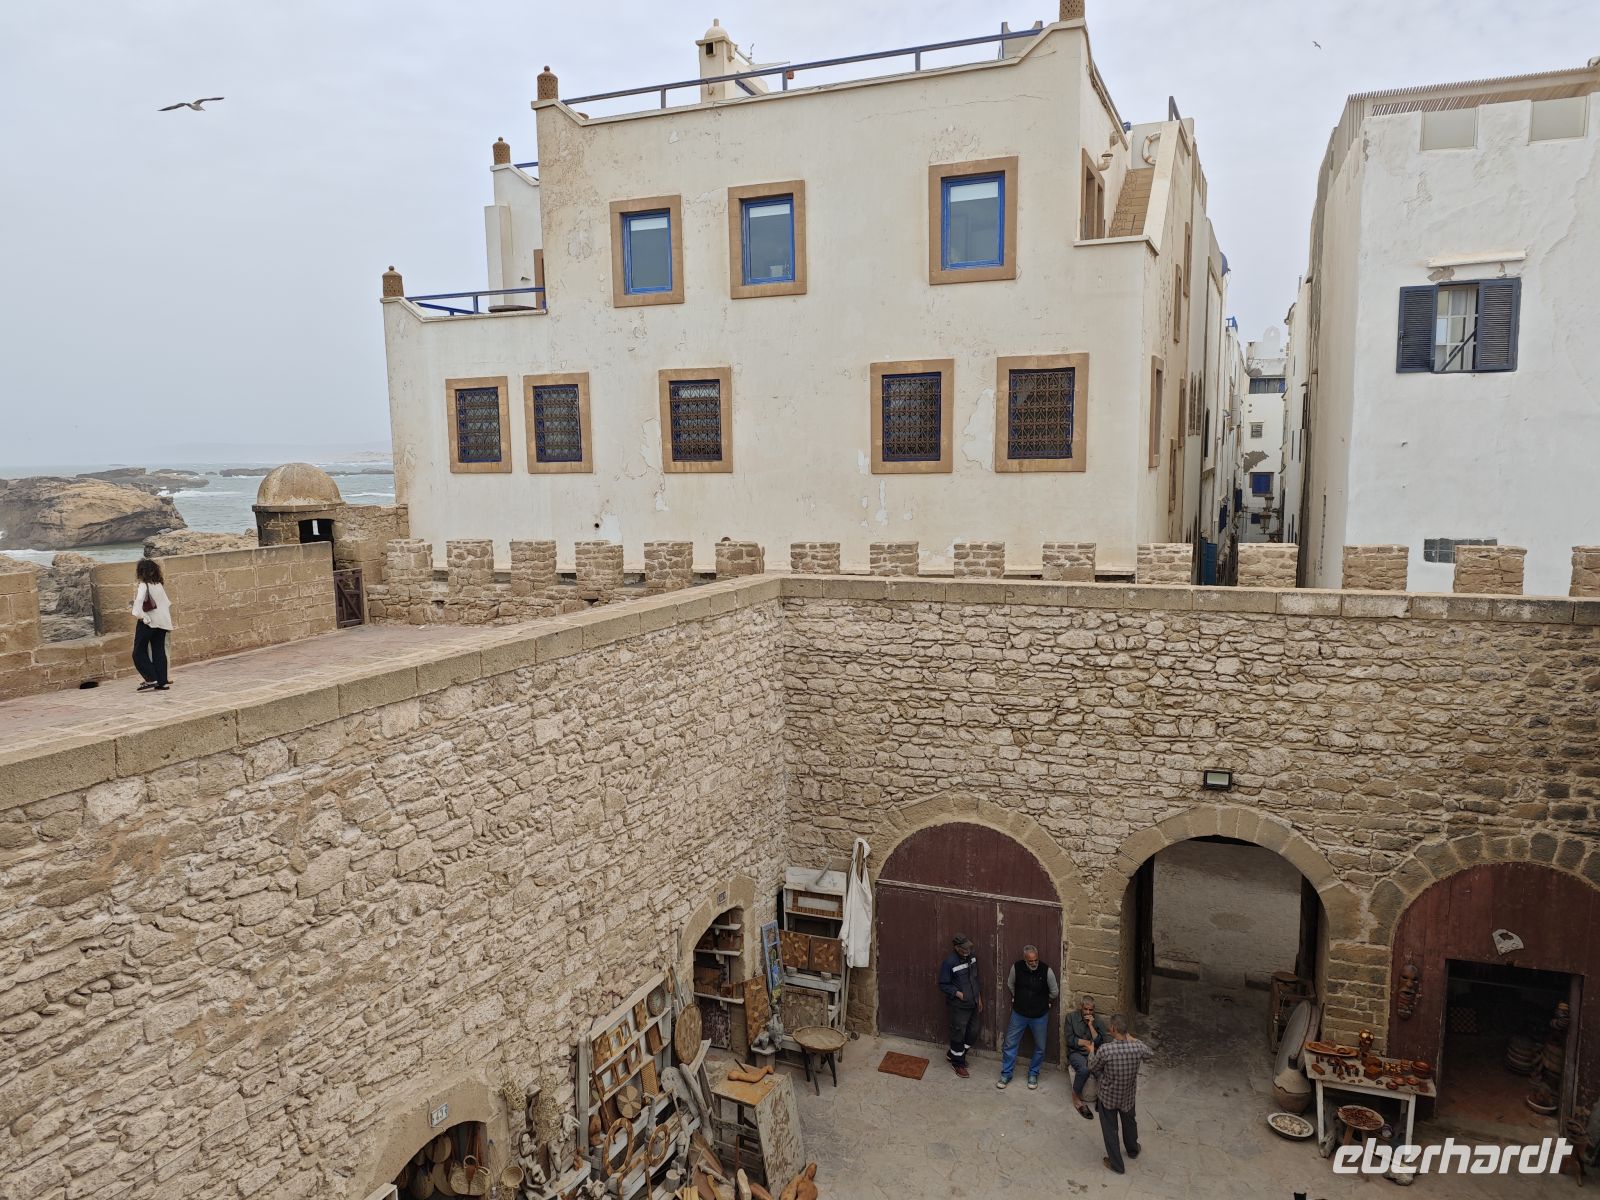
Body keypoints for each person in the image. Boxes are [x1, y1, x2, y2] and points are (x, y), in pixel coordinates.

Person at [1087, 1013, 1153, 1175]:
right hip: (1128, 1095)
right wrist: (1131, 1038)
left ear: (1113, 1029)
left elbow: (1093, 1067)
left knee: (1110, 1129)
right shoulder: (1137, 1047)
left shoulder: (1106, 1050)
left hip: (1108, 1096)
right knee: (1129, 1123)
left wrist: (1091, 1052)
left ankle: (1116, 1164)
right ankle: (1133, 1150)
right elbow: (1150, 1053)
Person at [997, 943, 1058, 1090]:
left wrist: (1044, 1002)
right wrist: (1018, 997)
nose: (1034, 963)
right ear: (1025, 959)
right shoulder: (1016, 967)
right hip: (1019, 1014)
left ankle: (1033, 1073)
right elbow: (1010, 984)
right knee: (1010, 1044)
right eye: (1030, 961)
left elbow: (1054, 992)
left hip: (1039, 1016)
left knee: (1040, 1047)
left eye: (1036, 960)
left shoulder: (1047, 970)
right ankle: (1006, 1074)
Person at [936, 934, 982, 1078]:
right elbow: (943, 984)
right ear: (956, 948)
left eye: (969, 948)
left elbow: (975, 978)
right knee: (958, 1034)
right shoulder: (950, 962)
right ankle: (958, 1064)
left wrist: (979, 998)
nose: (968, 951)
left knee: (974, 1031)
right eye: (964, 949)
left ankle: (954, 1054)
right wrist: (959, 994)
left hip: (973, 1002)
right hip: (958, 1006)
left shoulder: (972, 957)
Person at [129, 558, 173, 692]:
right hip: (163, 622)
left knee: (138, 652)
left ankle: (151, 678)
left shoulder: (144, 585)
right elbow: (167, 603)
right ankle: (162, 682)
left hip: (148, 622)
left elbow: (138, 605)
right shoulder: (159, 585)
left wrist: (142, 616)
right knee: (159, 651)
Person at [1066, 993, 1110, 1118]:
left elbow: (1103, 1041)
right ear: (1081, 1007)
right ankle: (1076, 1098)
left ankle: (1100, 1098)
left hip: (1093, 1053)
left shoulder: (1097, 1020)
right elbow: (1070, 1040)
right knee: (1084, 1069)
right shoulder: (1071, 1018)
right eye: (1085, 1009)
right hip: (1076, 1052)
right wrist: (1088, 1043)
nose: (1088, 1012)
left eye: (1091, 1010)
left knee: (1103, 1070)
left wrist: (1091, 1025)